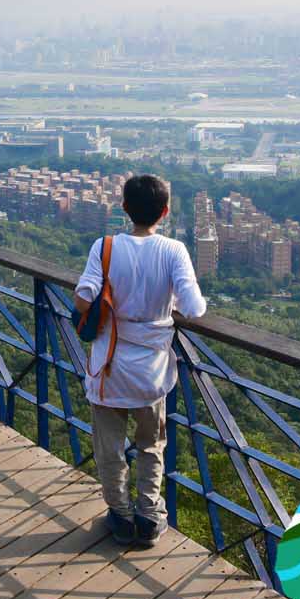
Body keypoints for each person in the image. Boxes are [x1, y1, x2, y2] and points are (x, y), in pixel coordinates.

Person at [74, 175, 207, 549]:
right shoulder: (174, 250)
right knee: (151, 444)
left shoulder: (105, 246)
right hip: (152, 369)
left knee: (109, 448)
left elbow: (83, 299)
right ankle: (149, 515)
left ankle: (120, 513)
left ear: (124, 208)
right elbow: (194, 308)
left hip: (109, 365)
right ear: (164, 212)